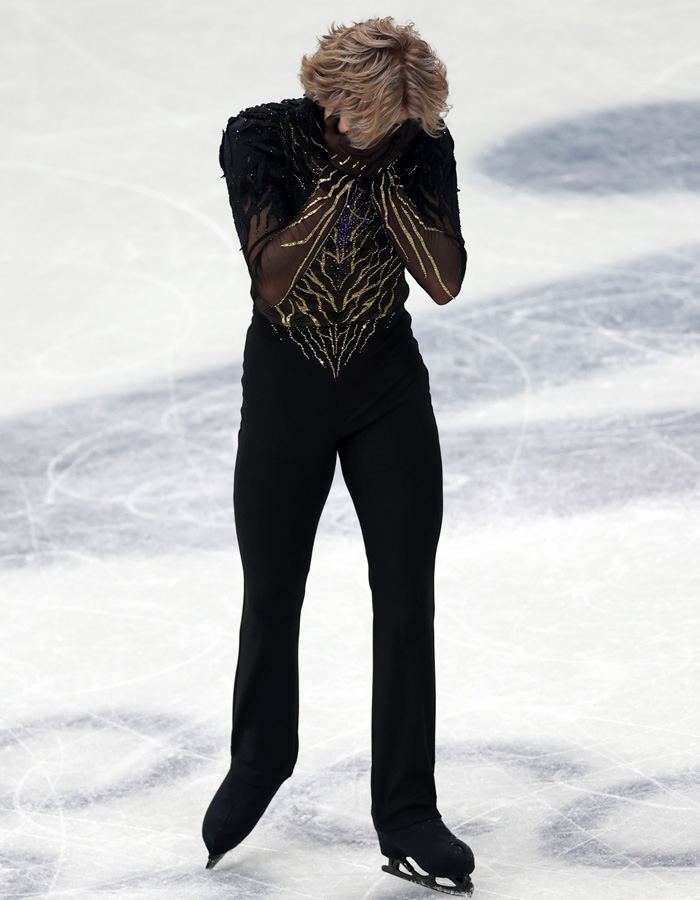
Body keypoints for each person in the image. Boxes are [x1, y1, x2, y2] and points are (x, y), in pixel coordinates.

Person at [202, 17, 475, 896]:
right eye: (369, 116)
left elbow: (442, 280)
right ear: (335, 98)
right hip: (287, 390)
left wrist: (386, 172)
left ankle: (407, 815)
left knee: (405, 599)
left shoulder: (419, 143)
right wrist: (340, 179)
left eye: (397, 120)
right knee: (272, 589)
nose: (382, 131)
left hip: (385, 389)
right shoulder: (258, 137)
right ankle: (260, 758)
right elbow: (271, 279)